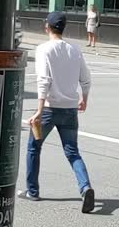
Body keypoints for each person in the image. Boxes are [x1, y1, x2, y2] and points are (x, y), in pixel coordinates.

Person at [19, 11, 95, 213]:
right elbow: (86, 79)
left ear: (47, 27)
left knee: (34, 148)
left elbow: (44, 80)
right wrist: (84, 98)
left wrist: (39, 109)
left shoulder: (44, 49)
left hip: (49, 110)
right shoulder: (74, 49)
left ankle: (32, 191)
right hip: (70, 109)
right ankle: (85, 186)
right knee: (72, 152)